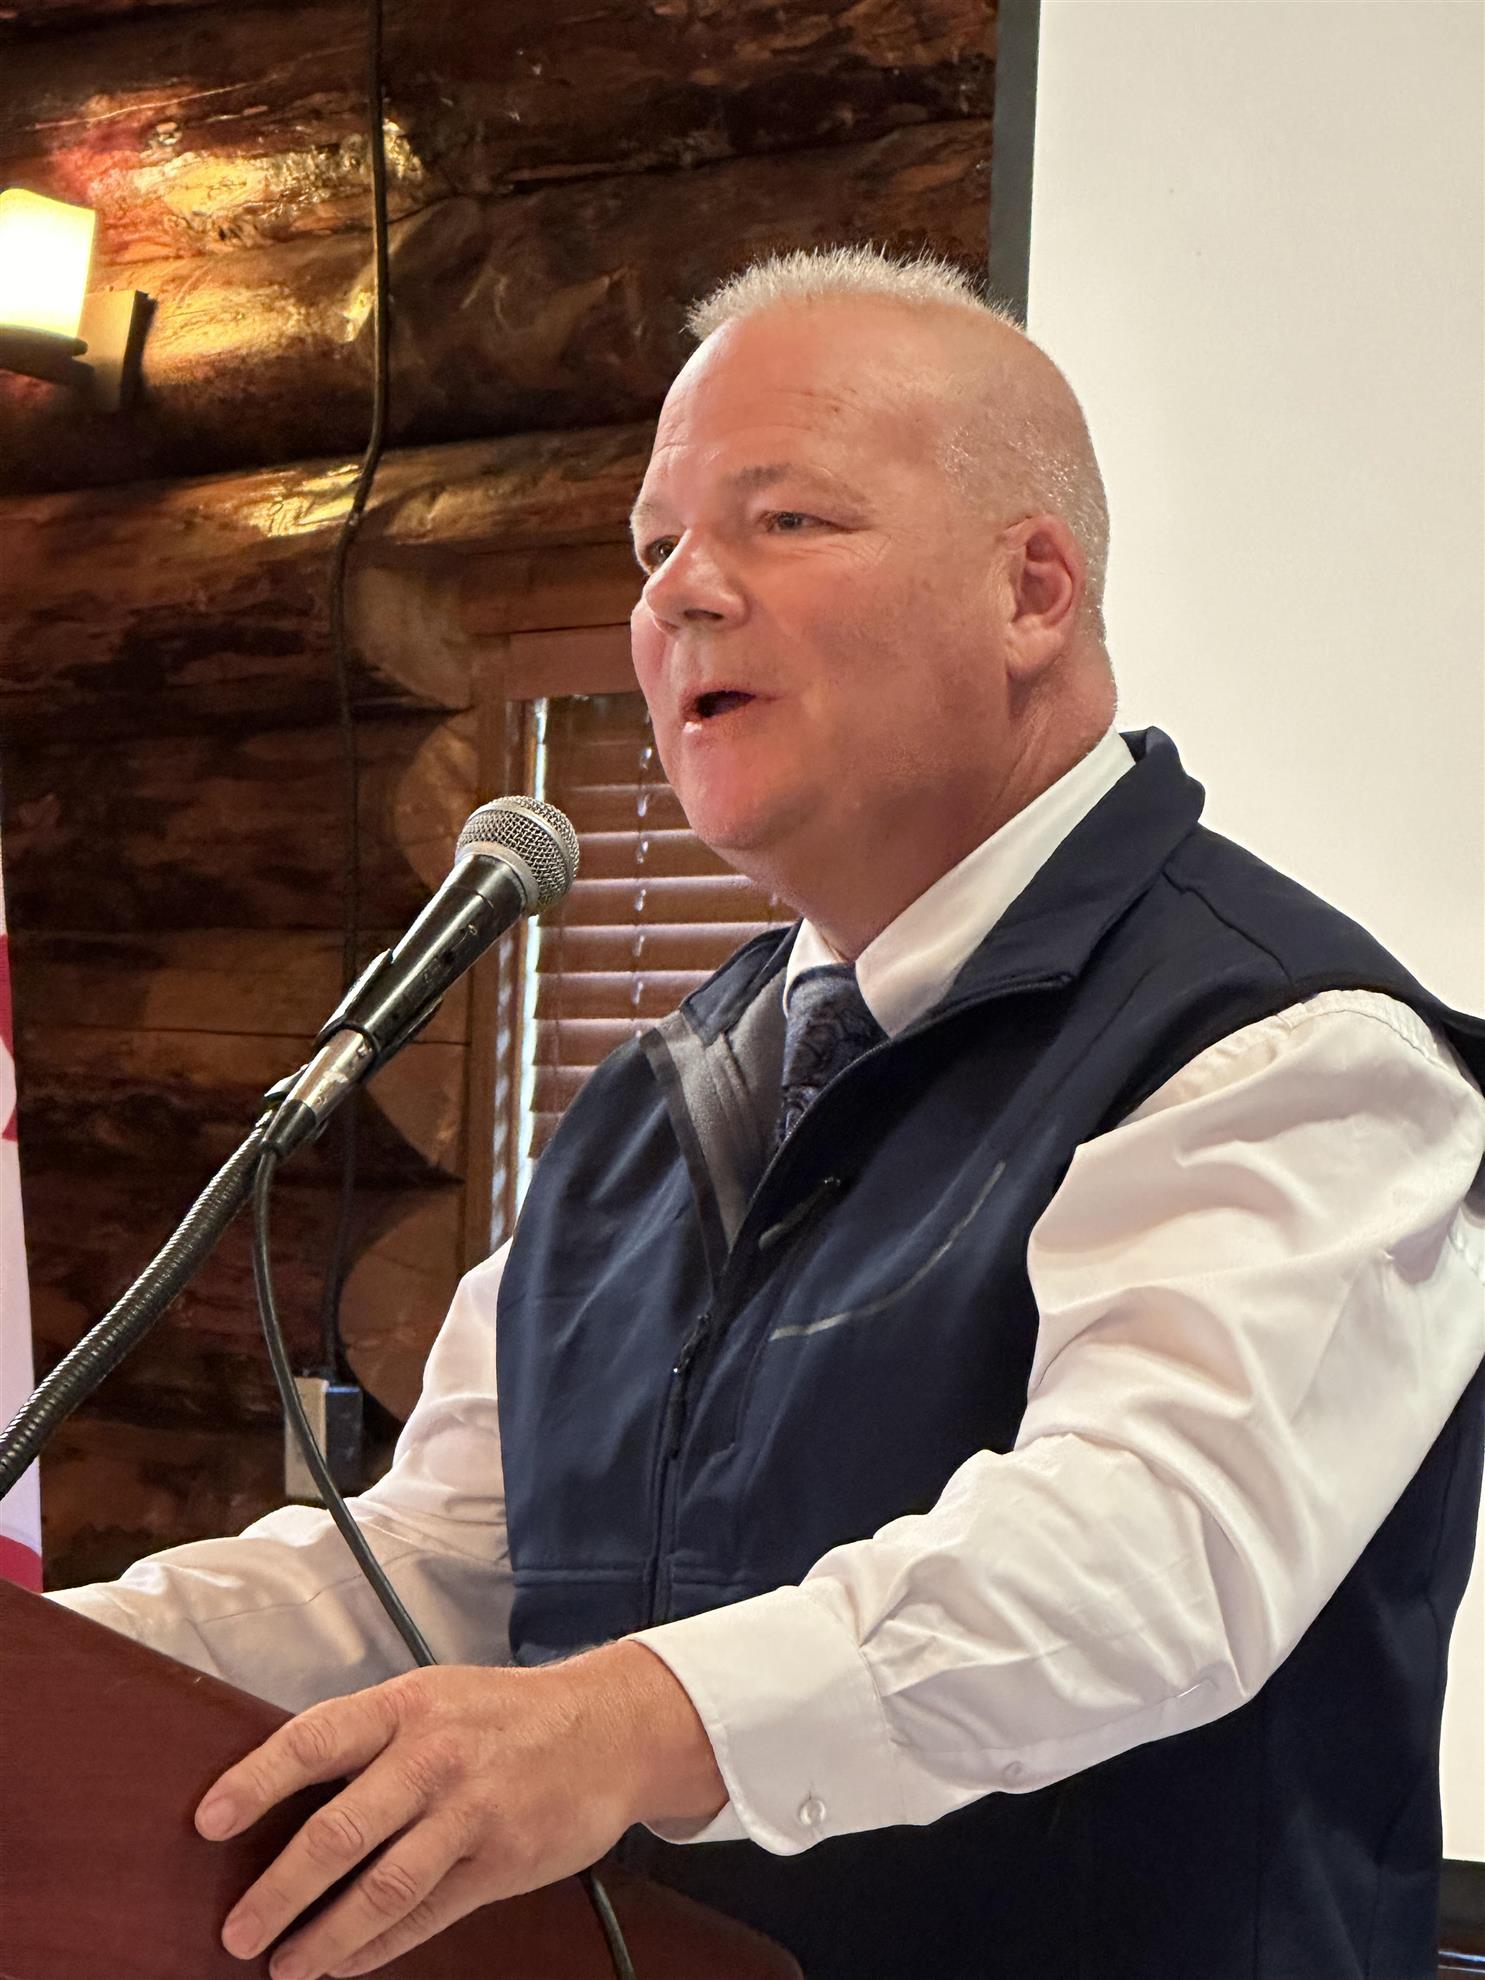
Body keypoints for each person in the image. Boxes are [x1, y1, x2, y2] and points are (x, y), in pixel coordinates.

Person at [49, 245, 1485, 1980]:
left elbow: (1139, 1561)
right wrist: (60, 1667)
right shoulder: (660, 1093)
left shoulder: (1285, 1047)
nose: (679, 595)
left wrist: (625, 1724)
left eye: (782, 520)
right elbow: (446, 1565)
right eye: (652, 546)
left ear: (1033, 591)